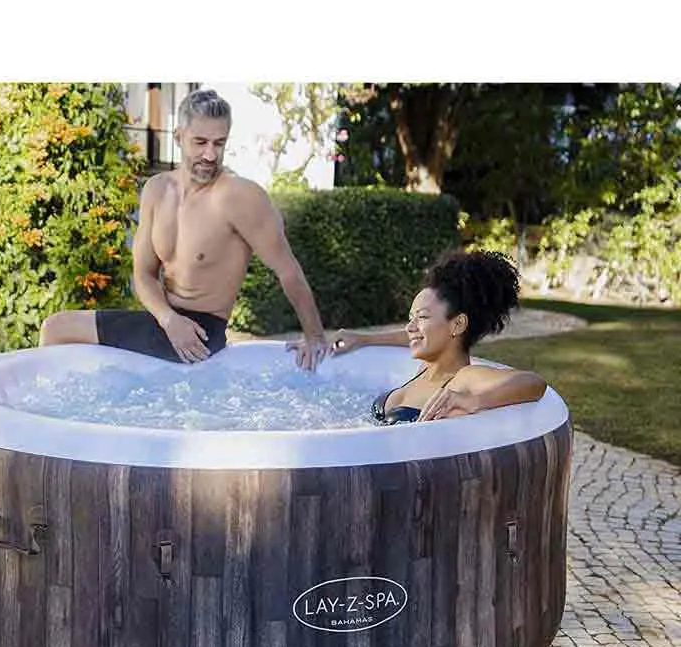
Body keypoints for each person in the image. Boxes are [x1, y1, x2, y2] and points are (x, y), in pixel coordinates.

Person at [38, 88, 330, 371]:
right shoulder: (156, 190)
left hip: (201, 335)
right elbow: (143, 274)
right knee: (58, 330)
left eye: (219, 143)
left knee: (57, 329)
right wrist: (168, 319)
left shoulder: (240, 197)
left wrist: (315, 337)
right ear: (178, 137)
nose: (210, 155)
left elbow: (288, 271)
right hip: (164, 324)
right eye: (200, 142)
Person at [331, 249, 547, 423]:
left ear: (458, 324)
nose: (410, 327)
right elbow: (415, 335)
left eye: (422, 317)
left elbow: (534, 383)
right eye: (411, 318)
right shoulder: (425, 368)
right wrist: (363, 339)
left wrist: (475, 401)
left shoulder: (464, 378)